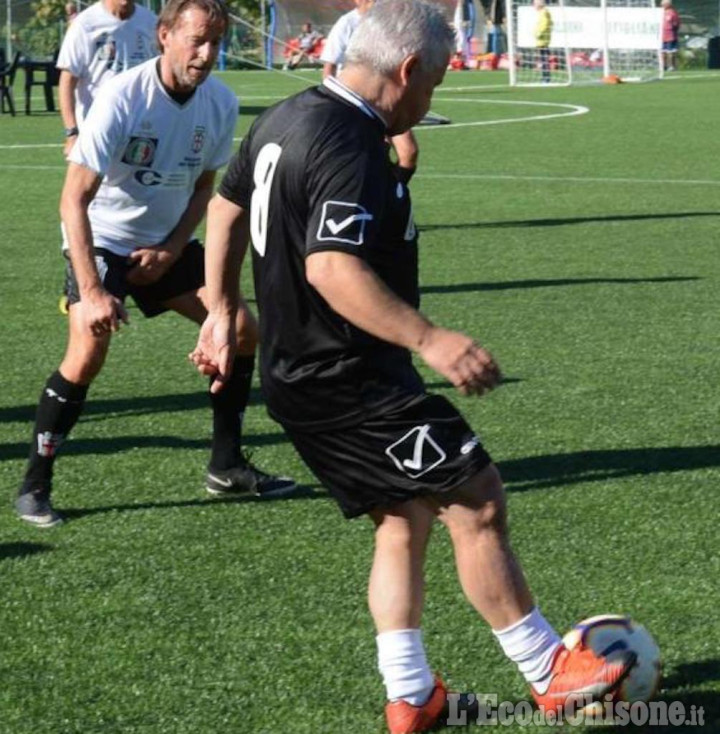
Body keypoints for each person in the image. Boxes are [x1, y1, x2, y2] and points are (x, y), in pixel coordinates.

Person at [192, 1, 636, 731]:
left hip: (299, 375)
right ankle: (549, 669)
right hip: (351, 380)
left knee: (401, 521)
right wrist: (430, 338)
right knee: (478, 498)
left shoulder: (288, 114)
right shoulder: (348, 142)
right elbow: (334, 269)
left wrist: (218, 304)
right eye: (433, 82)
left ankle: (412, 695)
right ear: (406, 70)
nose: (431, 99)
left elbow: (226, 206)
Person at [15, 0, 296, 529]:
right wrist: (94, 289)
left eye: (216, 42)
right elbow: (73, 200)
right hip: (101, 238)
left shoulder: (221, 103)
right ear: (164, 36)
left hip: (163, 243)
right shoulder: (123, 98)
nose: (208, 53)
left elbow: (205, 190)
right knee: (89, 346)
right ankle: (35, 483)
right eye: (197, 40)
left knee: (240, 331)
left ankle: (226, 466)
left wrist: (170, 248)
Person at [320, 0, 418, 185]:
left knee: (409, 153)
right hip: (356, 102)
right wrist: (332, 101)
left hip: (387, 99)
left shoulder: (389, 23)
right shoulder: (347, 23)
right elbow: (329, 68)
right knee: (369, 157)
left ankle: (394, 195)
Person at [56, 0, 158, 160]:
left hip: (141, 130)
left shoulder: (151, 22)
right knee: (89, 185)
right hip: (96, 130)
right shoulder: (85, 24)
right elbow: (67, 81)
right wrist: (72, 133)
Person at [534, 0, 552, 83]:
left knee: (544, 59)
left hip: (543, 40)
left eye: (535, 3)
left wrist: (539, 33)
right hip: (541, 40)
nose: (534, 5)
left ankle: (546, 78)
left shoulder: (544, 12)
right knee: (543, 59)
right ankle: (544, 77)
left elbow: (546, 24)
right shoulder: (543, 12)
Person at [661, 0, 680, 72]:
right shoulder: (661, 13)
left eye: (664, 4)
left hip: (670, 35)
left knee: (671, 52)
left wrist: (673, 30)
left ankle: (672, 66)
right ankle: (664, 66)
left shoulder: (672, 13)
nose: (662, 6)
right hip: (662, 36)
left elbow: (676, 24)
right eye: (662, 4)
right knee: (663, 52)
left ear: (668, 5)